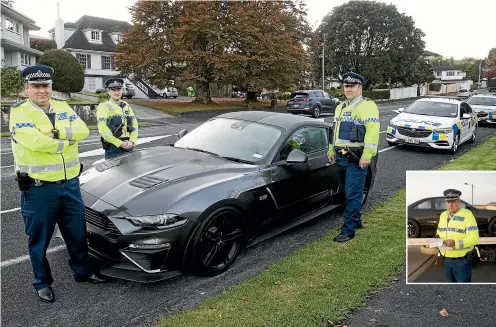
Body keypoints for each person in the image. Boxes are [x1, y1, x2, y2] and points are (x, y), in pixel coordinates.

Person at [9, 65, 107, 303]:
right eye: (36, 86)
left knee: (76, 233)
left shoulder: (63, 107)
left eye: (46, 86)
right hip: (39, 188)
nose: (42, 90)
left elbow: (83, 131)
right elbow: (36, 143)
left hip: (70, 184)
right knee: (39, 238)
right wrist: (66, 139)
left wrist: (52, 133)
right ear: (26, 89)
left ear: (51, 87)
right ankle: (42, 282)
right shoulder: (19, 112)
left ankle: (82, 272)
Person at [328, 72, 380, 242]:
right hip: (340, 158)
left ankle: (348, 230)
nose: (348, 89)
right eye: (346, 86)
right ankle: (356, 220)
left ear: (360, 87)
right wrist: (331, 150)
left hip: (356, 160)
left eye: (352, 86)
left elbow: (372, 132)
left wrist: (367, 155)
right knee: (344, 192)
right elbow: (334, 132)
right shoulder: (340, 106)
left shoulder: (367, 106)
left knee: (353, 195)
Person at [435, 189, 479, 283]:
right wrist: (436, 239)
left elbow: (474, 238)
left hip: (462, 260)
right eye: (448, 202)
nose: (451, 205)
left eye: (454, 201)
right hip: (446, 259)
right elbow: (439, 231)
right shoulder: (443, 215)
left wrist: (456, 243)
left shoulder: (467, 214)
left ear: (459, 202)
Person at [97, 78, 138, 159]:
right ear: (108, 91)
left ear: (122, 90)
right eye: (113, 90)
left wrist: (132, 141)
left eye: (119, 89)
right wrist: (119, 143)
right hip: (113, 147)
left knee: (130, 170)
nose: (117, 92)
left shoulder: (126, 105)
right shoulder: (104, 106)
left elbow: (134, 124)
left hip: (129, 145)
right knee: (114, 171)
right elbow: (103, 129)